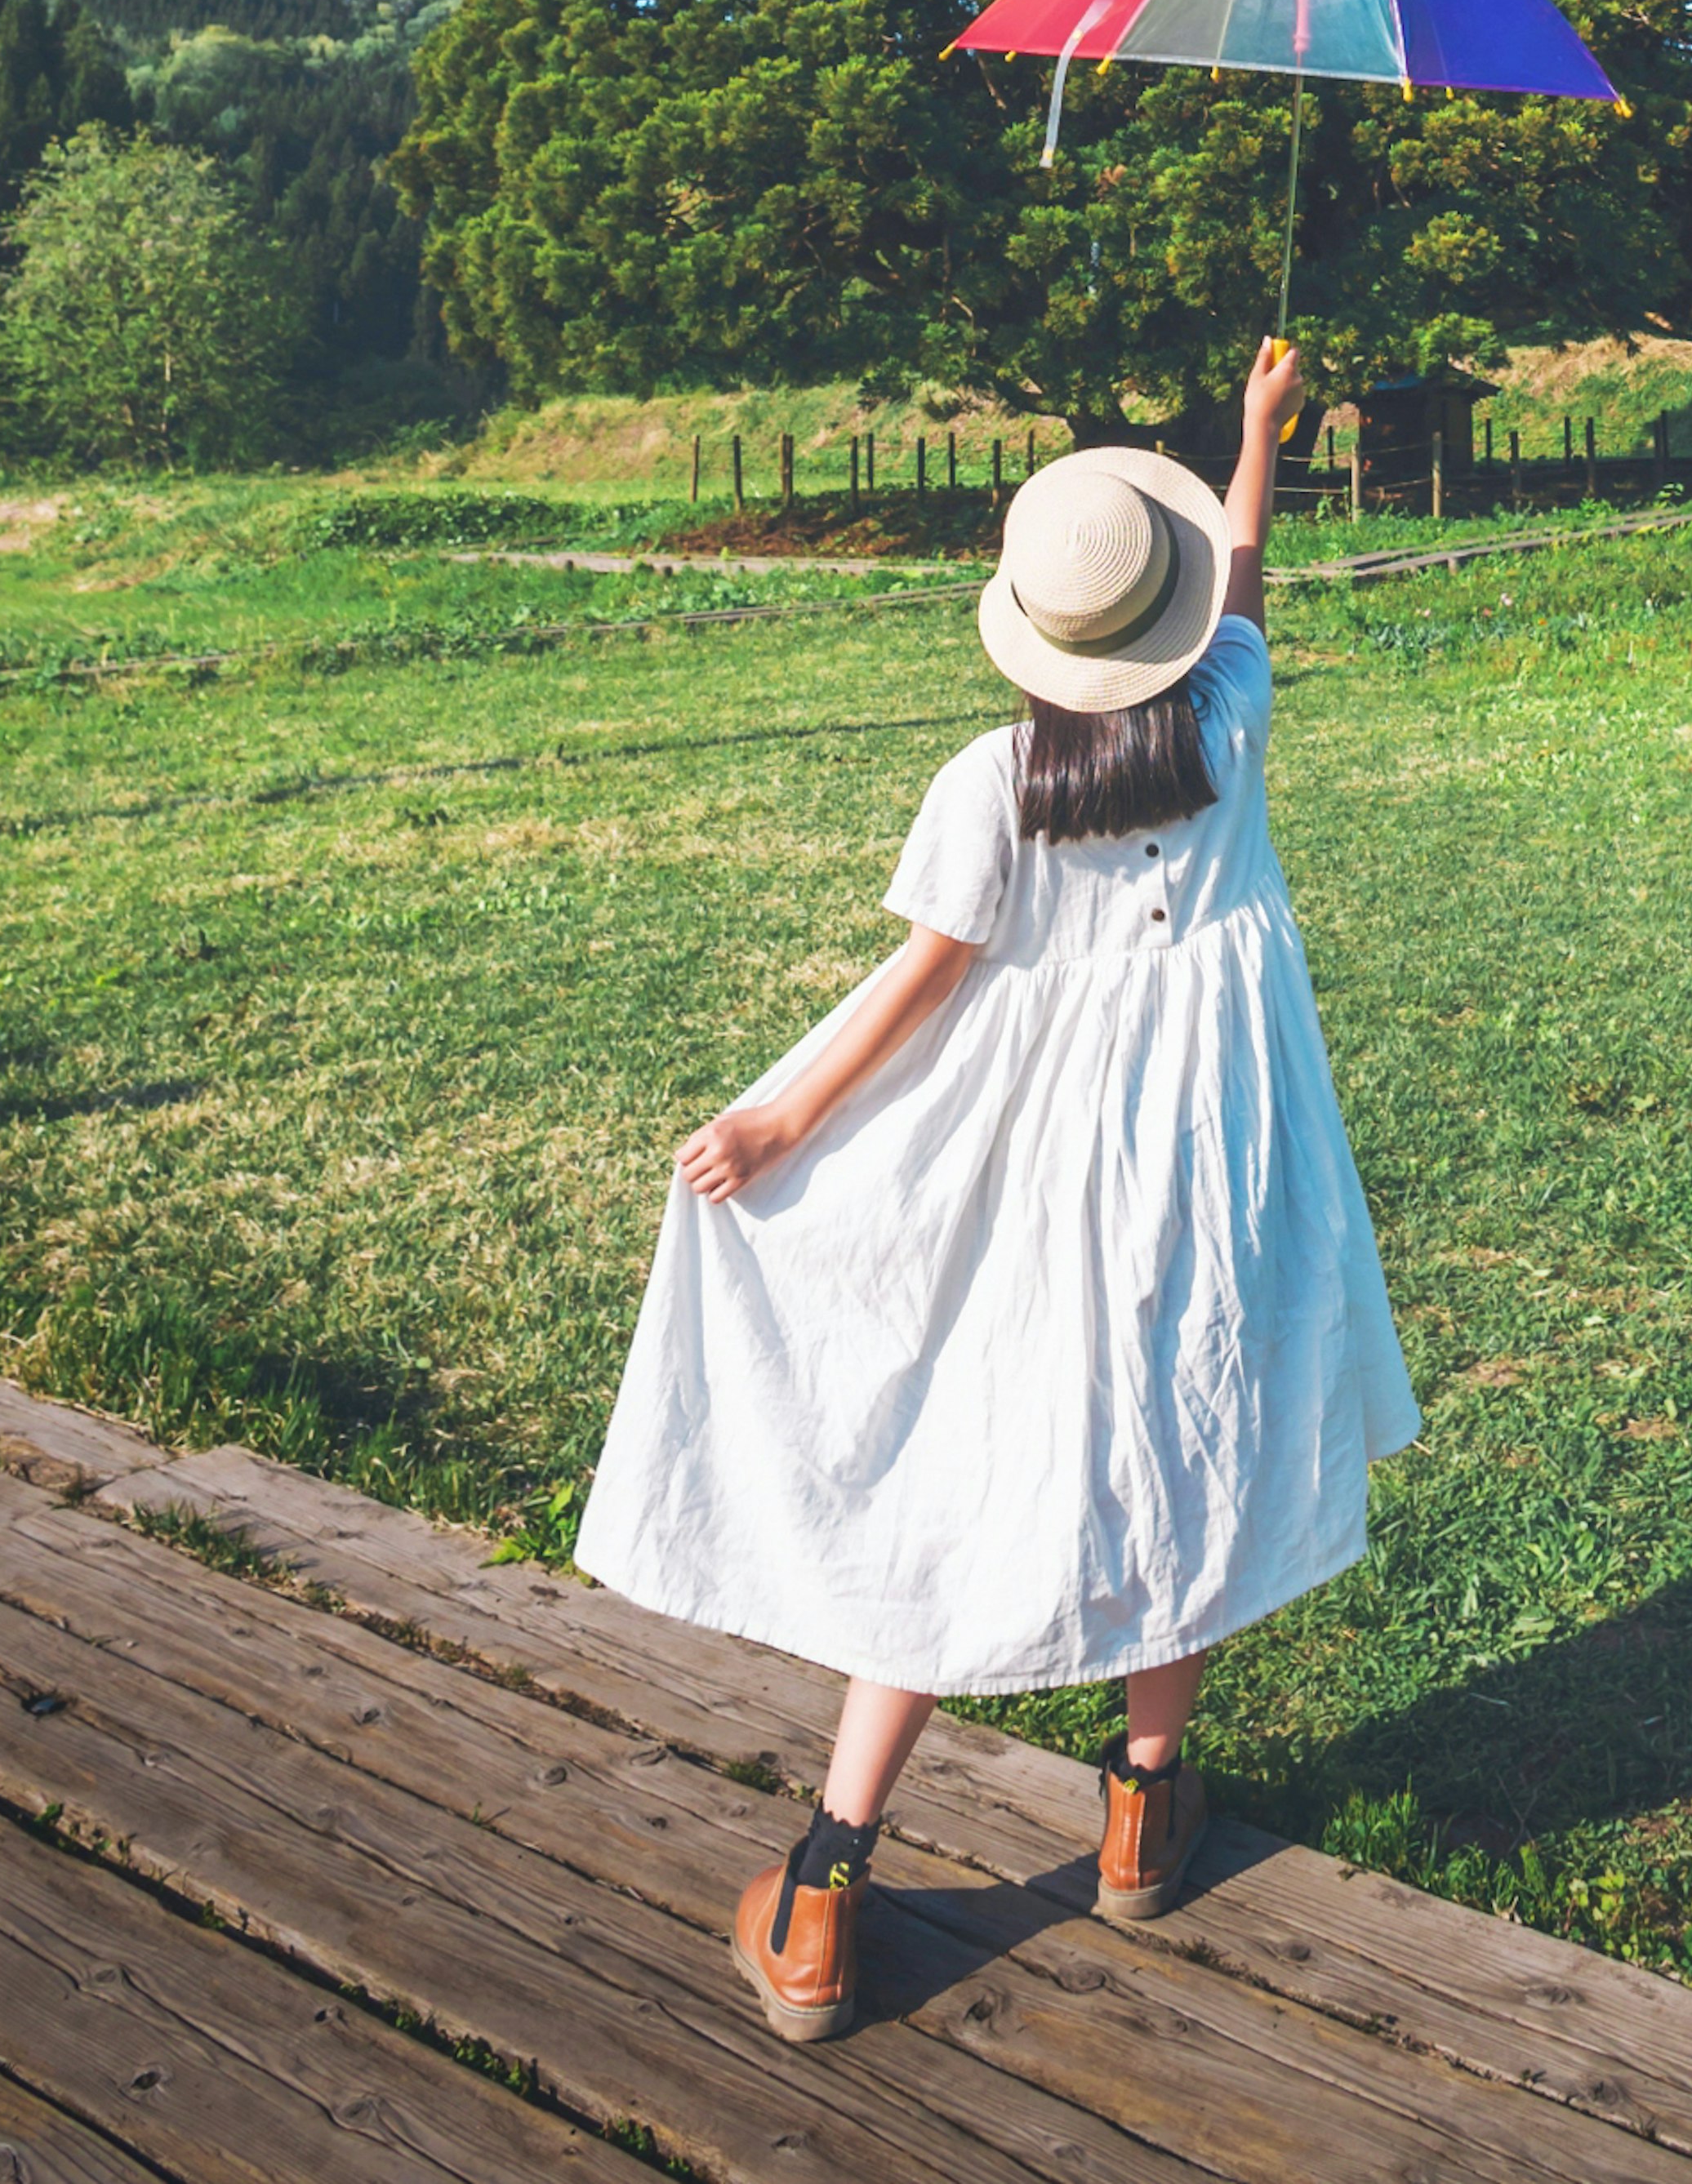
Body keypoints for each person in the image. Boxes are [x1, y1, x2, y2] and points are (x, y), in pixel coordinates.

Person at [574, 336, 1421, 2045]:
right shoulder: (1231, 730)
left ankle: (824, 1887)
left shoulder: (997, 783)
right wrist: (1256, 430)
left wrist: (780, 1122)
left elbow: (920, 984)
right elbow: (1246, 579)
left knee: (958, 1467)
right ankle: (1139, 1801)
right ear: (1175, 629)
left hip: (1045, 1174)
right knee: (1202, 1439)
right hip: (1222, 1159)